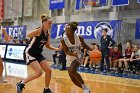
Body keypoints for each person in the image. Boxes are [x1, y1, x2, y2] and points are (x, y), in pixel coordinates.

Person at [16, 14, 61, 93]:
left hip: (38, 54)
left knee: (48, 71)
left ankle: (46, 89)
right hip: (29, 53)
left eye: (51, 23)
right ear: (44, 23)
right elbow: (28, 35)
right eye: (49, 23)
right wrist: (37, 31)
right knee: (39, 72)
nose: (51, 25)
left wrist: (56, 48)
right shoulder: (39, 31)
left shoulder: (48, 34)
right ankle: (21, 84)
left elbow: (47, 45)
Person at [61, 21, 92, 93]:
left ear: (73, 31)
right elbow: (66, 51)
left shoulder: (79, 37)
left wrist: (92, 50)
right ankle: (86, 89)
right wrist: (72, 54)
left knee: (72, 70)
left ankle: (84, 86)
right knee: (73, 79)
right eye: (66, 29)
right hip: (69, 57)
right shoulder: (63, 39)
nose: (66, 31)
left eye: (68, 30)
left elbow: (84, 45)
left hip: (78, 56)